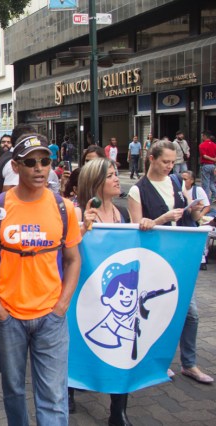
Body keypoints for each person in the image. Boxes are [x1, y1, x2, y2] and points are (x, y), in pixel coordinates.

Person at [0, 134, 82, 426]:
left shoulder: (64, 209)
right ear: (17, 167)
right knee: (14, 391)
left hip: (51, 318)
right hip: (9, 319)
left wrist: (62, 305)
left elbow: (73, 259)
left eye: (45, 161)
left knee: (54, 397)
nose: (39, 168)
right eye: (31, 162)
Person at [127, 140, 214, 385]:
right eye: (165, 161)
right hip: (156, 258)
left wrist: (196, 211)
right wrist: (162, 218)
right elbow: (136, 226)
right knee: (159, 312)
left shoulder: (176, 181)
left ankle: (189, 363)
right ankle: (159, 362)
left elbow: (188, 212)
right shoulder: (139, 189)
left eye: (172, 162)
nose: (169, 166)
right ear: (151, 159)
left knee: (191, 314)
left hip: (180, 256)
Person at [72, 157, 133, 425]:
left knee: (123, 350)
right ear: (95, 182)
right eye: (110, 176)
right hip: (83, 292)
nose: (116, 179)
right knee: (77, 342)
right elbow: (68, 250)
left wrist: (148, 225)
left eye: (116, 174)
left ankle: (118, 411)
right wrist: (83, 227)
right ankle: (69, 388)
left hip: (112, 297)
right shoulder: (76, 212)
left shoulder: (122, 213)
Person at [181, 170, 212, 270]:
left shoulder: (197, 190)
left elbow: (207, 206)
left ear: (192, 180)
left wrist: (200, 215)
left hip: (195, 217)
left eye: (185, 179)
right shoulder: (178, 190)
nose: (183, 181)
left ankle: (202, 259)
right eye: (181, 179)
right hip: (183, 217)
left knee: (201, 232)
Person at [198, 130, 216, 203]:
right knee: (212, 182)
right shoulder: (214, 145)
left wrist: (212, 159)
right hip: (213, 165)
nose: (202, 137)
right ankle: (214, 195)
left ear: (205, 136)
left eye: (202, 136)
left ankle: (206, 199)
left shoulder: (202, 145)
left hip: (206, 165)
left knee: (206, 183)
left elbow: (204, 156)